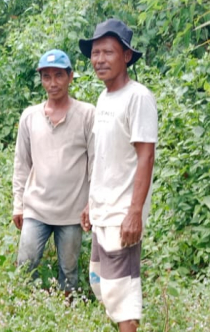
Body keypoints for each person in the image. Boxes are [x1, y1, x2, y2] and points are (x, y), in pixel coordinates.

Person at [78, 19, 157, 332]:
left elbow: (145, 155)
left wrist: (134, 212)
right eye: (95, 53)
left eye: (107, 52)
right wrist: (90, 204)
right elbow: (104, 158)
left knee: (122, 293)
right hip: (102, 210)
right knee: (102, 284)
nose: (99, 60)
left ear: (126, 56)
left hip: (122, 212)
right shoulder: (105, 98)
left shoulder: (138, 98)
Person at [12, 49, 94, 295]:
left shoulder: (87, 114)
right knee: (25, 264)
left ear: (70, 77)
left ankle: (68, 314)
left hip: (72, 212)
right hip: (36, 208)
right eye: (46, 76)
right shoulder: (29, 117)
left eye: (59, 75)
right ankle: (24, 311)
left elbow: (96, 163)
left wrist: (93, 202)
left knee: (69, 271)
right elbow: (21, 163)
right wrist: (18, 204)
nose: (53, 83)